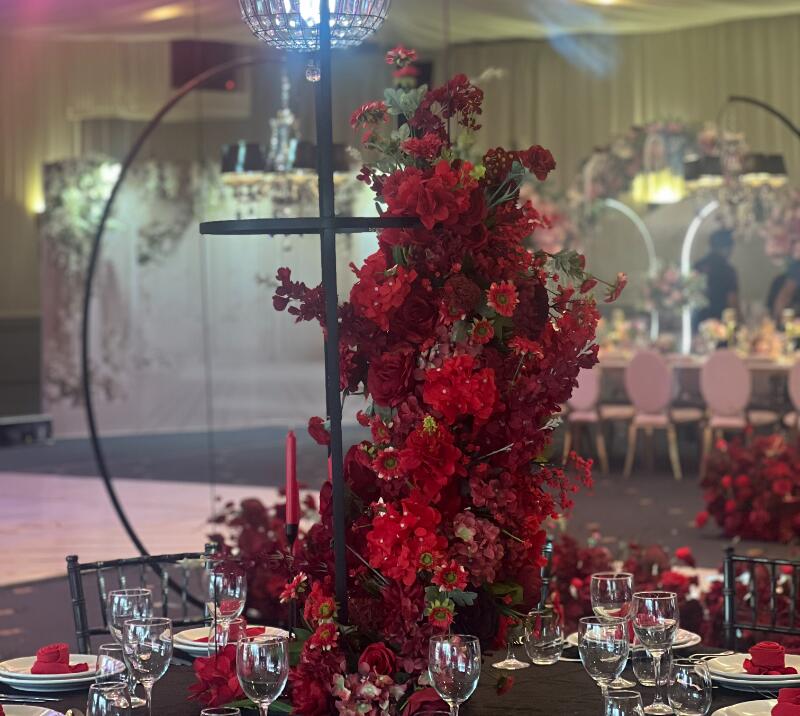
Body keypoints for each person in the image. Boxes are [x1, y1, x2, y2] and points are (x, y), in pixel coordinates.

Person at [694, 228, 740, 326]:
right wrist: (741, 321)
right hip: (720, 325)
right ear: (726, 248)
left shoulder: (697, 266)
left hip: (698, 320)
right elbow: (732, 300)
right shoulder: (727, 270)